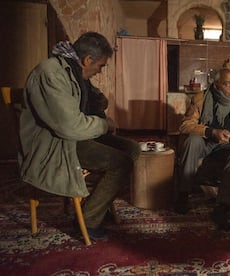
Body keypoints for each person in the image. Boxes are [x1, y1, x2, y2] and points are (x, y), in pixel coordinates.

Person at [19, 32, 140, 241]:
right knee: (121, 163)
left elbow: (89, 103)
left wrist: (98, 102)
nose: (99, 71)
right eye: (100, 66)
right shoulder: (50, 73)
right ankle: (88, 220)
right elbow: (70, 127)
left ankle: (96, 202)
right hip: (55, 145)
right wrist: (104, 124)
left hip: (73, 138)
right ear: (87, 60)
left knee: (132, 149)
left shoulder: (74, 70)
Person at [175, 68, 230, 231]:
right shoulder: (201, 98)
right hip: (206, 141)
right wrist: (211, 132)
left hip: (227, 143)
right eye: (227, 85)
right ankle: (183, 194)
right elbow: (185, 125)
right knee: (192, 141)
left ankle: (223, 207)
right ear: (217, 86)